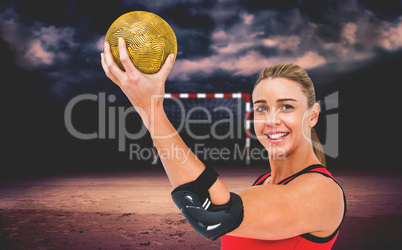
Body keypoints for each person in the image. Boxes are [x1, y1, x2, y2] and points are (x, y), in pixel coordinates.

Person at [101, 37, 346, 249]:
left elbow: (213, 215)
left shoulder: (323, 192)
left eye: (287, 106)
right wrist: (146, 108)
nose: (272, 120)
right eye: (262, 108)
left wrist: (150, 108)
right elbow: (198, 200)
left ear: (312, 115)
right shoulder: (262, 184)